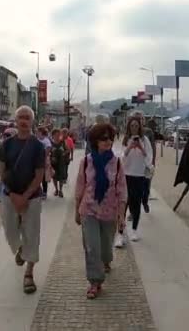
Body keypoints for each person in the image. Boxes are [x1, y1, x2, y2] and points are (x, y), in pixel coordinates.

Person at [75, 123, 127, 299]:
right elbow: (80, 187)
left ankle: (106, 260)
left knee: (105, 249)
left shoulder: (117, 163)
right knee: (92, 247)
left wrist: (121, 215)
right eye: (104, 138)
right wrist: (77, 210)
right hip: (88, 210)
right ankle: (95, 282)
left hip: (109, 212)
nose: (108, 141)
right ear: (95, 141)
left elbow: (121, 191)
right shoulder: (86, 162)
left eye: (110, 138)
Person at [0, 106, 45, 294]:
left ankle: (29, 273)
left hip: (31, 197)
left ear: (32, 121)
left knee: (32, 233)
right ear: (16, 121)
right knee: (9, 230)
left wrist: (25, 197)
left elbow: (39, 175)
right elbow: (2, 171)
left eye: (27, 117)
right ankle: (20, 248)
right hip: (10, 195)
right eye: (21, 117)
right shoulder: (7, 144)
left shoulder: (37, 146)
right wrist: (12, 194)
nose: (24, 121)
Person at [116, 116, 153, 247]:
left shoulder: (145, 140)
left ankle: (134, 230)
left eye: (136, 126)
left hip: (139, 176)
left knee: (136, 204)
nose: (134, 128)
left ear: (140, 127)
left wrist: (141, 148)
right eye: (132, 126)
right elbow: (121, 159)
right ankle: (120, 234)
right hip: (126, 176)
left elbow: (149, 160)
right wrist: (130, 147)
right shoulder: (125, 140)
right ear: (128, 127)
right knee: (123, 205)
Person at [132, 111, 156, 213]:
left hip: (146, 164)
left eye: (141, 119)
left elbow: (153, 147)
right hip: (134, 165)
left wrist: (153, 162)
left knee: (146, 186)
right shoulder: (131, 132)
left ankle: (145, 201)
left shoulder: (149, 132)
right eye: (137, 119)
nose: (140, 121)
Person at [50, 129, 70, 198]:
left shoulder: (63, 142)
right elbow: (48, 152)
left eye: (59, 135)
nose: (57, 136)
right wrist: (51, 156)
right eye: (56, 135)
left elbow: (68, 150)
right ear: (52, 136)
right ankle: (56, 189)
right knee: (54, 177)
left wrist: (64, 153)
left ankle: (61, 190)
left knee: (61, 177)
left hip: (61, 162)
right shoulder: (51, 143)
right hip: (54, 162)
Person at [37, 127, 53, 200]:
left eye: (38, 132)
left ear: (41, 132)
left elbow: (48, 150)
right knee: (37, 176)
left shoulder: (46, 141)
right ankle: (38, 191)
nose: (37, 133)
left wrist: (44, 159)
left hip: (44, 160)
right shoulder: (37, 140)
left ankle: (44, 192)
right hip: (37, 160)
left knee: (44, 177)